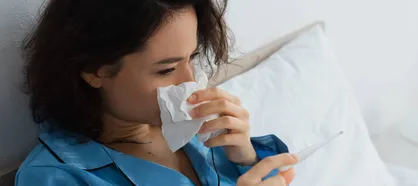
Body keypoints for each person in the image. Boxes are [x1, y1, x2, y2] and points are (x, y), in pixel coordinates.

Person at [16, 0, 297, 185]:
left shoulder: (203, 133)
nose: (189, 81)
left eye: (192, 58)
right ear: (94, 70)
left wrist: (246, 159)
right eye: (166, 70)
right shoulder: (54, 177)